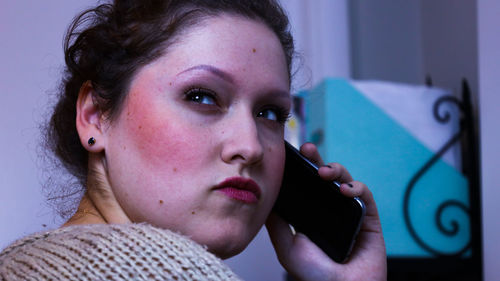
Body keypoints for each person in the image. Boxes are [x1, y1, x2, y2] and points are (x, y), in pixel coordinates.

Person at [0, 0, 386, 280]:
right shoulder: (174, 272)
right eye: (201, 96)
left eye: (269, 113)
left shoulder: (18, 263)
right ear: (95, 116)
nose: (250, 147)